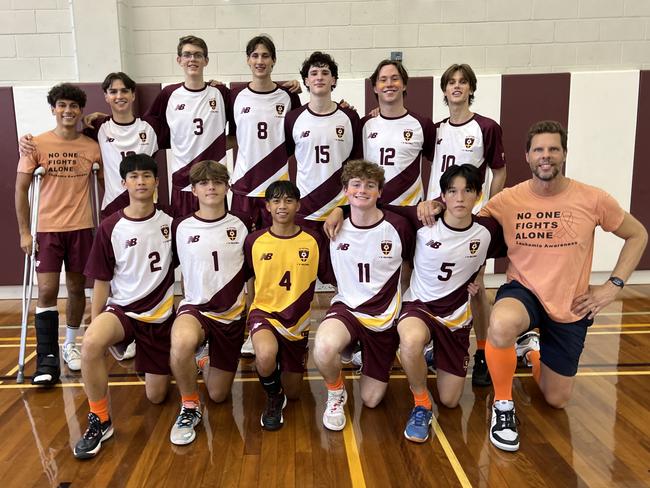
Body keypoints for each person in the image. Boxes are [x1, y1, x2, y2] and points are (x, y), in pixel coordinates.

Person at [480, 120, 647, 452]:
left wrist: (612, 285)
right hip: (523, 291)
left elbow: (638, 234)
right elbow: (467, 227)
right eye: (539, 150)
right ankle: (503, 405)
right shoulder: (508, 199)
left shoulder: (593, 198)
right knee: (501, 322)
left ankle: (531, 351)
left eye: (553, 149)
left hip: (571, 302)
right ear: (527, 157)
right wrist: (436, 206)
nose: (546, 156)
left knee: (556, 399)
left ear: (564, 154)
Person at [74, 154, 175, 459]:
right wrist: (95, 321)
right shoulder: (110, 227)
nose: (140, 182)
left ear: (157, 182)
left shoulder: (172, 223)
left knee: (157, 397)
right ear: (123, 183)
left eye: (146, 176)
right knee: (91, 344)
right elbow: (102, 280)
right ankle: (100, 420)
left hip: (158, 317)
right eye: (134, 177)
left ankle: (171, 356)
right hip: (123, 311)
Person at [395, 164, 505, 443]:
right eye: (452, 191)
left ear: (478, 195)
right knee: (409, 340)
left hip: (455, 317)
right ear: (442, 196)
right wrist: (340, 210)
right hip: (419, 307)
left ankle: (431, 357)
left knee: (451, 400)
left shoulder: (487, 229)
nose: (459, 198)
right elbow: (378, 209)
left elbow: (522, 245)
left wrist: (479, 276)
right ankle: (421, 403)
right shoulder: (423, 221)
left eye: (467, 191)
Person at [313, 160, 414, 431]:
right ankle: (335, 392)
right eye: (355, 184)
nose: (362, 190)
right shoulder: (332, 228)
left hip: (383, 318)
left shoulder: (399, 226)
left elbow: (415, 265)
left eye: (370, 185)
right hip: (348, 310)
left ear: (380, 192)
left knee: (371, 400)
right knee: (323, 347)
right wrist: (337, 211)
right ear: (345, 190)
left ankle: (363, 352)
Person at [15, 83, 101, 384]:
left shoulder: (91, 146)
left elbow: (105, 183)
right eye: (62, 105)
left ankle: (70, 345)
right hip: (48, 231)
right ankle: (46, 359)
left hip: (81, 228)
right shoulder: (36, 144)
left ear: (80, 111)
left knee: (78, 289)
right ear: (53, 109)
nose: (68, 111)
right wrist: (25, 232)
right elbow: (21, 190)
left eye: (74, 106)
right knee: (48, 291)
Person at [428, 63, 507, 387]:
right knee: (434, 283)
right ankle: (435, 345)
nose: (457, 87)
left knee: (476, 288)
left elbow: (499, 172)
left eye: (463, 82)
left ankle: (484, 353)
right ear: (445, 91)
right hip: (437, 217)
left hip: (470, 219)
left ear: (471, 89)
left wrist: (487, 208)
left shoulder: (487, 127)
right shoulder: (435, 130)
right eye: (451, 82)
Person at [168, 160, 250, 445]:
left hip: (231, 315)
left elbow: (252, 271)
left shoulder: (242, 223)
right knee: (180, 342)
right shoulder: (179, 226)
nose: (211, 187)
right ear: (193, 190)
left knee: (218, 395)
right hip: (197, 309)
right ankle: (189, 405)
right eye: (204, 183)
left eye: (217, 182)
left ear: (228, 186)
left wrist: (251, 310)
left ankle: (203, 358)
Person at [244, 180, 332, 430]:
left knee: (295, 393)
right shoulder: (254, 241)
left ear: (298, 205)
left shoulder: (313, 241)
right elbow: (250, 277)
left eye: (288, 200)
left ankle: (286, 373)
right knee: (265, 354)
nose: (282, 206)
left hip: (297, 321)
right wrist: (251, 315)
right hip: (265, 314)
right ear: (267, 207)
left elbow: (331, 277)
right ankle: (273, 398)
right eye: (276, 201)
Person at [146, 35, 231, 218]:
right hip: (183, 180)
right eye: (187, 55)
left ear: (206, 61)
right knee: (183, 238)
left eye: (198, 55)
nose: (192, 59)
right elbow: (146, 127)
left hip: (214, 182)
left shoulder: (220, 93)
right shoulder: (169, 94)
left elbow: (245, 126)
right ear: (179, 60)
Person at [230, 34, 302, 229]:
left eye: (265, 56)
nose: (260, 61)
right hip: (244, 186)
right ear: (248, 60)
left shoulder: (288, 96)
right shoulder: (235, 96)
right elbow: (231, 136)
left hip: (277, 188)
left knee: (276, 248)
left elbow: (296, 140)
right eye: (255, 56)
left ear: (274, 60)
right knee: (243, 249)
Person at [285, 51, 359, 226]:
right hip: (305, 207)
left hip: (341, 207)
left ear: (333, 80)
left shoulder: (350, 117)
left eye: (325, 73)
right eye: (314, 73)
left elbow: (357, 166)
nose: (319, 77)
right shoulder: (293, 118)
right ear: (306, 81)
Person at [356, 59, 435, 206]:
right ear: (375, 87)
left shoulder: (422, 124)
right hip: (374, 208)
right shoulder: (364, 125)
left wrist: (432, 200)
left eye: (395, 79)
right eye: (383, 80)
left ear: (404, 84)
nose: (389, 84)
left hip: (410, 210)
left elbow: (436, 166)